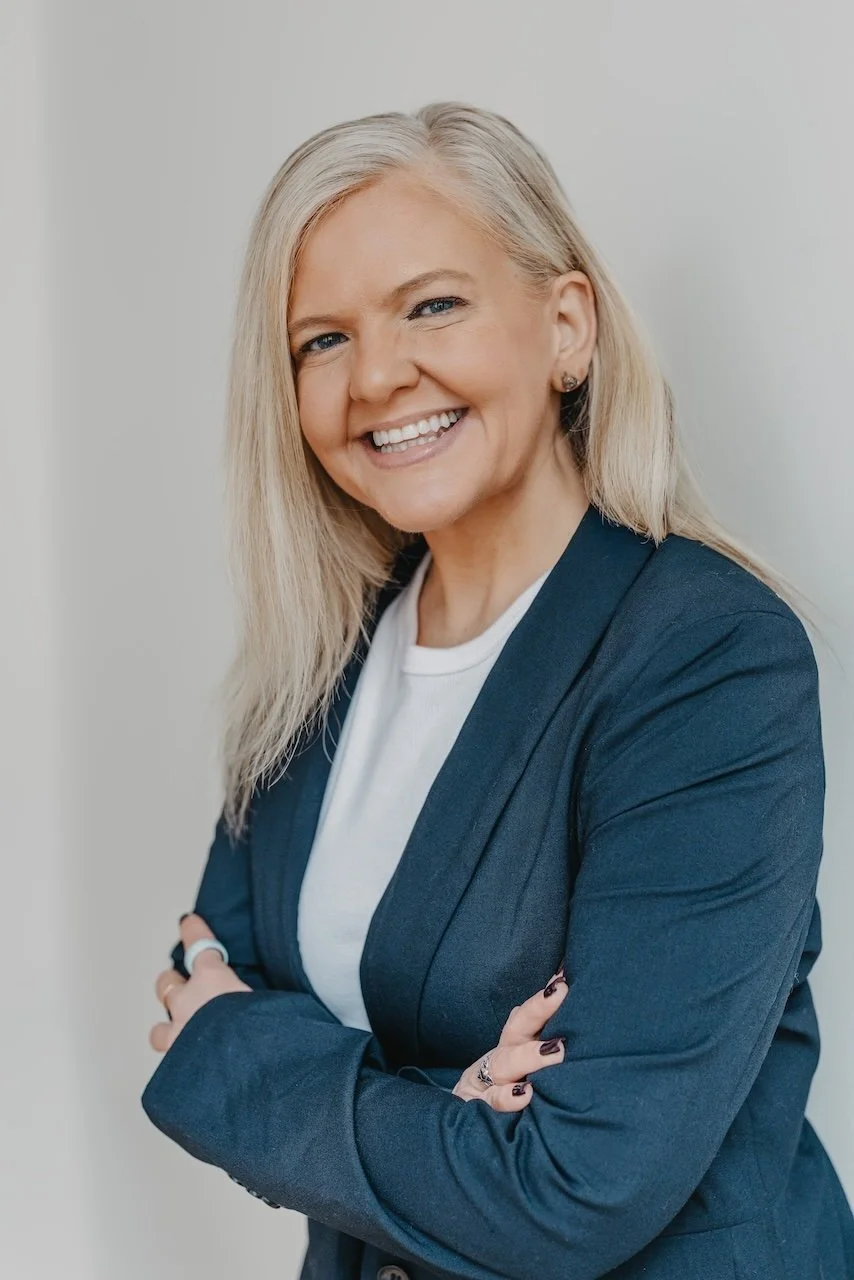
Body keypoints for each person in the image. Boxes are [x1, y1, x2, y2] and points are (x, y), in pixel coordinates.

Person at [141, 101, 854, 1279]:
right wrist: (450, 1112)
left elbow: (578, 1184)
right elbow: (199, 996)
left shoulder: (704, 656)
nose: (376, 375)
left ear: (565, 327)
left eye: (431, 305)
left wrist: (267, 1072)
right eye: (321, 340)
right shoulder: (315, 667)